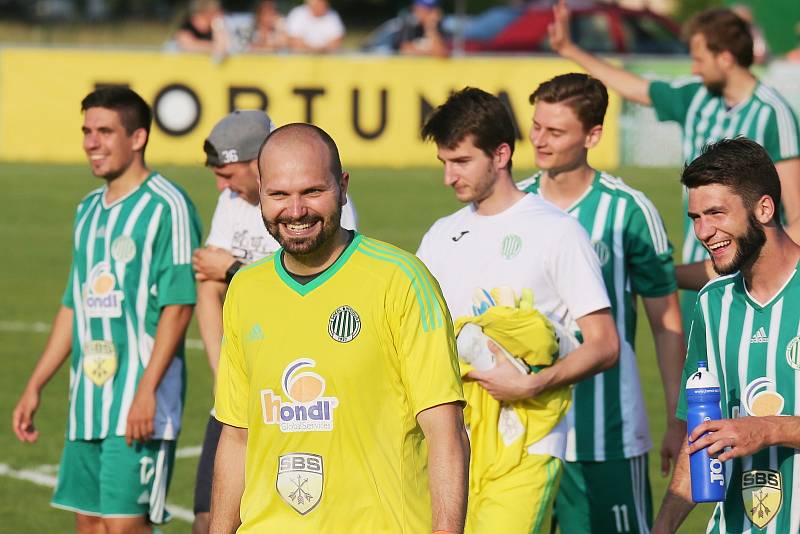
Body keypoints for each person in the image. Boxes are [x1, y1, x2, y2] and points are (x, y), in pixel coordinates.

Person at [209, 123, 469, 532]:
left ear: (342, 187)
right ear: (260, 193)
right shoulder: (245, 288)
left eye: (312, 192)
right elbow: (237, 435)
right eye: (279, 194)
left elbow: (445, 430)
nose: (295, 211)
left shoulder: (401, 280)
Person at [416, 87, 619, 533]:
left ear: (501, 154)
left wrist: (533, 384)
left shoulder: (557, 233)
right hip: (452, 443)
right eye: (444, 163)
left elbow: (605, 345)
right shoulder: (438, 236)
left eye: (462, 162)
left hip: (528, 442)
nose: (449, 177)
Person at [11, 87, 201, 532]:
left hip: (139, 402)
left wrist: (146, 391)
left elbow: (178, 306)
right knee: (89, 525)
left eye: (103, 132)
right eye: (86, 131)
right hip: (88, 402)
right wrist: (36, 384)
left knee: (123, 527)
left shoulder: (166, 207)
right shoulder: (87, 211)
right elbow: (73, 306)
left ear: (137, 138)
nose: (90, 143)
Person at [548, 0, 800, 333]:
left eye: (699, 59)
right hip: (701, 279)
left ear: (725, 58)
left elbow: (796, 217)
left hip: (752, 280)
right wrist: (569, 49)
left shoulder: (772, 114)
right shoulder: (696, 98)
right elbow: (636, 88)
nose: (694, 69)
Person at [519, 72, 685, 533]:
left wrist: (677, 418)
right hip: (525, 435)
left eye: (555, 131)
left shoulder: (629, 211)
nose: (540, 140)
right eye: (536, 126)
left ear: (593, 135)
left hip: (606, 433)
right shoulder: (516, 206)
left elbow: (665, 319)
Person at [190, 110, 358, 534]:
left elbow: (324, 286)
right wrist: (222, 373)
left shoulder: (320, 208)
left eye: (228, 174)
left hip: (303, 391)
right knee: (207, 516)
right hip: (242, 383)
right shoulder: (231, 202)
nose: (221, 186)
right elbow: (206, 286)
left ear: (256, 164)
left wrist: (232, 270)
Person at [653, 138, 800, 533]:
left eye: (716, 213)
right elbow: (699, 430)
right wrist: (663, 526)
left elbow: (753, 431)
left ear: (764, 208)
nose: (704, 231)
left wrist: (768, 429)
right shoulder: (711, 304)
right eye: (696, 217)